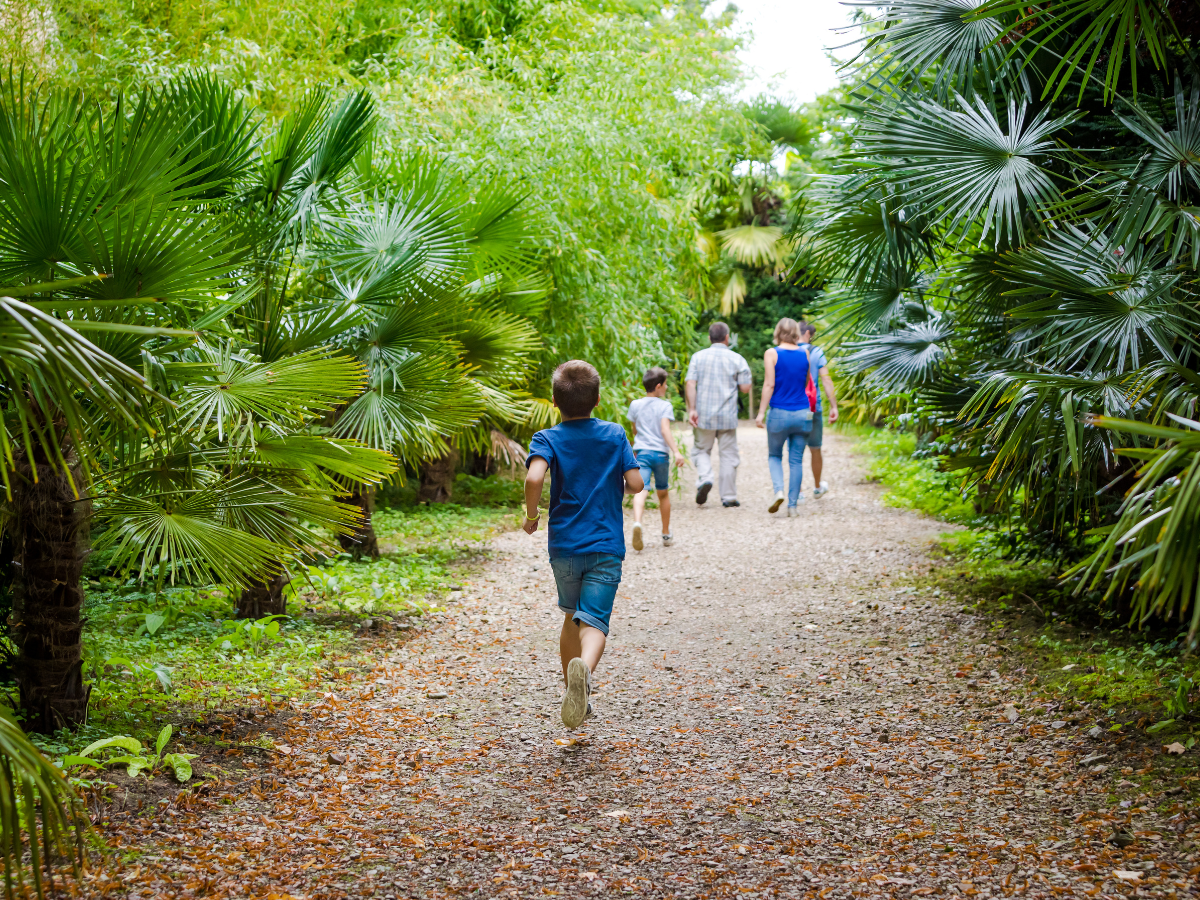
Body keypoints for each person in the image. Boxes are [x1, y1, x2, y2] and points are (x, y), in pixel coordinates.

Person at [523, 360, 643, 729]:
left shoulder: (548, 438)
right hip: (606, 543)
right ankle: (585, 675)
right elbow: (636, 484)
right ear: (598, 400)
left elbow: (533, 477)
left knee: (570, 615)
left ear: (554, 402)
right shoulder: (614, 434)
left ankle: (572, 693)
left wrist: (531, 516)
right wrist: (622, 486)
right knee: (594, 622)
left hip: (564, 545)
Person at [685, 322, 752, 507]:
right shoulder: (737, 358)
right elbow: (746, 388)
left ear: (709, 338)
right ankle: (729, 497)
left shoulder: (698, 357)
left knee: (701, 450)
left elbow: (690, 383)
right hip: (727, 416)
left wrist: (692, 409)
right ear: (727, 337)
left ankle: (706, 477)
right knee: (729, 455)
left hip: (703, 415)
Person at [755, 317, 815, 516]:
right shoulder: (805, 353)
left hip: (779, 412)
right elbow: (806, 381)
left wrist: (761, 413)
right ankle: (792, 507)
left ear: (778, 332)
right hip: (803, 413)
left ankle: (778, 490)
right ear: (796, 332)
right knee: (796, 460)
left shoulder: (772, 353)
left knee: (774, 455)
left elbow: (769, 385)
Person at [627, 366, 686, 550]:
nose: (667, 388)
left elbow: (634, 430)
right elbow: (664, 430)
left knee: (641, 489)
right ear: (658, 385)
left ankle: (637, 522)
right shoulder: (664, 406)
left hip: (642, 452)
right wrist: (676, 451)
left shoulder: (635, 404)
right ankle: (666, 533)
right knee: (663, 493)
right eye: (666, 385)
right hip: (660, 454)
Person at [798, 321, 839, 498]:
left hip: (794, 407)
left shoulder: (787, 351)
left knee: (795, 450)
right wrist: (834, 405)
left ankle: (797, 492)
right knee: (815, 448)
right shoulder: (816, 352)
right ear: (808, 333)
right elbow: (826, 379)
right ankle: (817, 487)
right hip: (813, 406)